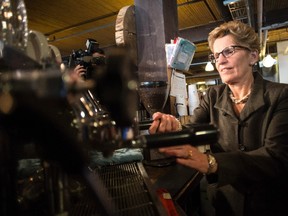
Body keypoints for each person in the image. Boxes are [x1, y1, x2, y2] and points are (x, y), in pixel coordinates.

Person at [149, 20, 288, 216]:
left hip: (269, 202)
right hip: (226, 202)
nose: (220, 61)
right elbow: (193, 131)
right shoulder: (214, 95)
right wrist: (173, 129)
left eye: (229, 51)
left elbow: (276, 157)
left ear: (253, 55)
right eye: (216, 55)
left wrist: (212, 163)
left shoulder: (281, 95)